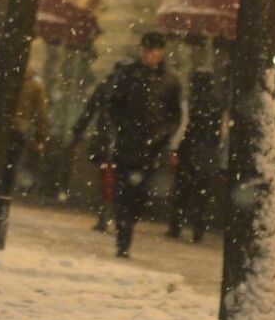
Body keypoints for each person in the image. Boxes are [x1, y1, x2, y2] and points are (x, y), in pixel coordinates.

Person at [104, 31, 183, 258]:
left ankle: (129, 221)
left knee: (141, 195)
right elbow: (113, 104)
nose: (148, 55)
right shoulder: (128, 74)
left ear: (161, 53)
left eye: (152, 51)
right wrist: (123, 127)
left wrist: (163, 134)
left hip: (152, 149)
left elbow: (175, 115)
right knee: (123, 193)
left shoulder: (170, 81)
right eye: (145, 50)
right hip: (127, 145)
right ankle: (123, 237)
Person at [167, 69, 223, 243]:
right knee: (201, 195)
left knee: (181, 192)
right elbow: (220, 133)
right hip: (207, 155)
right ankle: (198, 229)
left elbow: (183, 127)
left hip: (188, 151)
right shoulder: (216, 104)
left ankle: (176, 227)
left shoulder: (189, 103)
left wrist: (174, 149)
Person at [69, 68, 119, 232]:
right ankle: (111, 213)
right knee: (113, 179)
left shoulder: (106, 86)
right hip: (119, 141)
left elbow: (89, 111)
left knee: (106, 178)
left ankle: (105, 213)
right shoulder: (129, 87)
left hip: (107, 139)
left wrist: (78, 132)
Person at [2, 61, 51, 196]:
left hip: (2, 127)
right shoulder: (35, 83)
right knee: (11, 164)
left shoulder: (6, 77)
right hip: (19, 129)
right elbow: (41, 113)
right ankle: (4, 196)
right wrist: (40, 137)